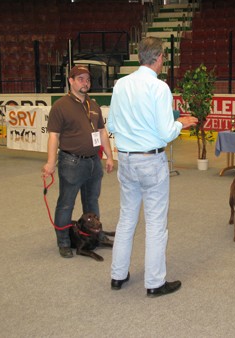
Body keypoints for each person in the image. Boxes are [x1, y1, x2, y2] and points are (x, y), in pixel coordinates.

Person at [107, 37, 198, 297]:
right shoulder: (160, 88)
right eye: (163, 58)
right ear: (158, 58)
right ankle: (155, 282)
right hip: (151, 161)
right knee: (156, 223)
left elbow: (112, 125)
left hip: (126, 159)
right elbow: (166, 132)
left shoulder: (120, 85)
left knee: (126, 219)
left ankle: (118, 275)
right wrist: (183, 124)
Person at [42, 65, 114, 258]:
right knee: (66, 204)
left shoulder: (93, 105)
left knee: (92, 202)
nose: (85, 82)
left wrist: (109, 155)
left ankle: (94, 236)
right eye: (80, 79)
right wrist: (50, 162)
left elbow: (101, 133)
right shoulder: (61, 106)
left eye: (87, 79)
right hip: (71, 162)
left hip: (93, 162)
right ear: (70, 81)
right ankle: (64, 242)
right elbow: (54, 136)